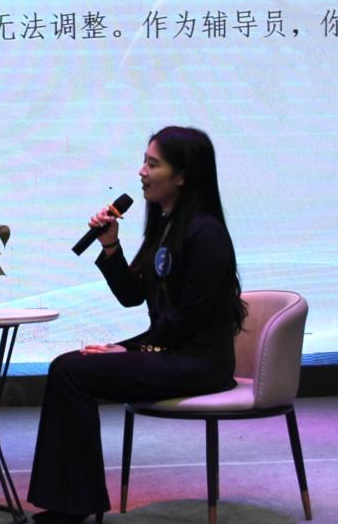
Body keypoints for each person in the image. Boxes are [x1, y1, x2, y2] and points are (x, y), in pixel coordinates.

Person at [27, 126, 246, 524]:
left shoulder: (207, 234)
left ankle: (72, 506)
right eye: (144, 162)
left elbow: (187, 320)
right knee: (68, 366)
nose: (142, 172)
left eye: (153, 164)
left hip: (198, 363)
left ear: (182, 176)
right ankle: (69, 503)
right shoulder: (165, 225)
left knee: (71, 371)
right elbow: (131, 295)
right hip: (169, 352)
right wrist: (110, 244)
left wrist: (128, 348)